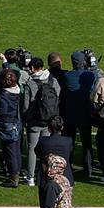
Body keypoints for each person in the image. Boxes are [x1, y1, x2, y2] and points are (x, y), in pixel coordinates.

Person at [23, 57, 63, 186]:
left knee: (32, 149)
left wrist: (26, 118)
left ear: (33, 68)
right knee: (47, 150)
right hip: (50, 120)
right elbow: (57, 97)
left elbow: (26, 105)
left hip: (35, 121)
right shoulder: (52, 80)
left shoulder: (30, 83)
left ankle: (30, 177)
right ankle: (49, 174)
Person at [61, 51, 97, 177]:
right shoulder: (90, 75)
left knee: (69, 141)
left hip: (71, 114)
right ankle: (88, 168)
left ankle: (68, 167)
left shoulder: (68, 75)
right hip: (85, 113)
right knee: (86, 142)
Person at [35, 116, 74, 208]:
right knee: (64, 205)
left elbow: (37, 152)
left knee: (46, 206)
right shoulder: (68, 141)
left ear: (48, 128)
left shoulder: (43, 141)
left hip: (46, 177)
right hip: (65, 177)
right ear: (62, 127)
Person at [0, 67, 23, 188]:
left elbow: (2, 111)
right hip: (16, 122)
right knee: (16, 149)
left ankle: (13, 177)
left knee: (10, 151)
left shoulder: (4, 95)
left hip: (7, 123)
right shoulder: (17, 90)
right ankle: (15, 172)